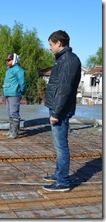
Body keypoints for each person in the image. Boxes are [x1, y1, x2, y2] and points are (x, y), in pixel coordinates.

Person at [43, 30, 81, 192]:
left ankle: (63, 182)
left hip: (61, 110)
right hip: (57, 107)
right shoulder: (63, 59)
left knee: (61, 147)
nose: (50, 48)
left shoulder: (68, 61)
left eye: (51, 44)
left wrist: (56, 113)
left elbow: (64, 90)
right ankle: (59, 174)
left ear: (59, 43)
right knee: (59, 146)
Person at [2, 53, 27, 139]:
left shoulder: (18, 70)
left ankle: (15, 133)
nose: (8, 62)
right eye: (7, 60)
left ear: (15, 60)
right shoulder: (9, 69)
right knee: (9, 113)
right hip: (8, 93)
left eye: (10, 60)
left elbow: (22, 82)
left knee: (14, 113)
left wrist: (21, 91)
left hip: (14, 94)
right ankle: (11, 130)